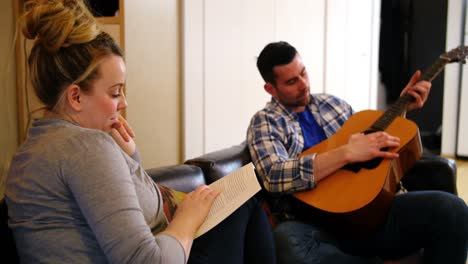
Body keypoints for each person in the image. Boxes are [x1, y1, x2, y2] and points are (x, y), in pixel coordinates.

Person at [5, 1, 276, 263]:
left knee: (242, 204)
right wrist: (187, 218)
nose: (123, 103)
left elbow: (112, 206)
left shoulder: (32, 150)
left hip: (161, 237)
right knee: (246, 203)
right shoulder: (86, 147)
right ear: (75, 97)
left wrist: (130, 157)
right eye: (114, 92)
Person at [247, 41, 468, 263]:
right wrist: (346, 153)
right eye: (292, 81)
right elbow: (273, 176)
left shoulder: (332, 104)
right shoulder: (265, 122)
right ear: (271, 89)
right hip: (320, 227)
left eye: (303, 73)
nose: (304, 85)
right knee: (286, 241)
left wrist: (402, 110)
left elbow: (373, 147)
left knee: (452, 209)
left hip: (374, 214)